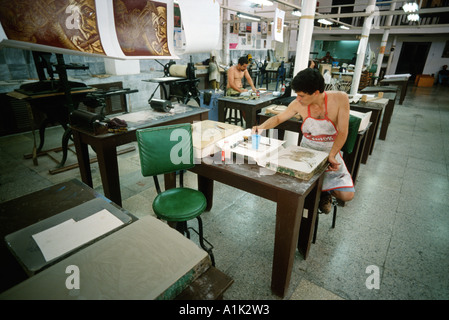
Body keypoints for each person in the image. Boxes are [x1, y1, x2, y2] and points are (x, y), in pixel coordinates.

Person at [252, 68, 354, 213]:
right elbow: (279, 118)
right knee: (296, 189)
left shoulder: (340, 99)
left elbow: (343, 132)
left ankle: (324, 193)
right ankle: (317, 196)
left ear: (316, 92)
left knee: (347, 195)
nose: (297, 99)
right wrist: (261, 127)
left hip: (330, 151)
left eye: (301, 95)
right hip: (307, 150)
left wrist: (332, 155)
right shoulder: (297, 104)